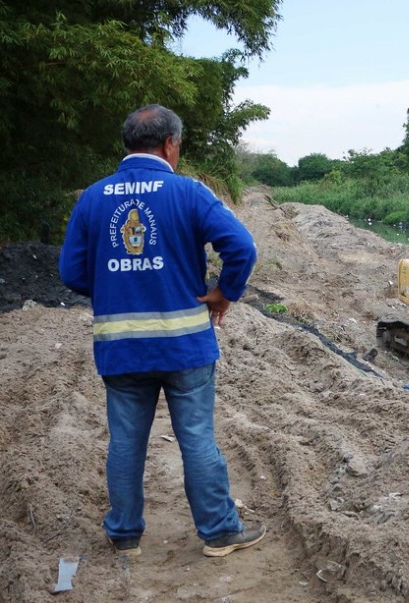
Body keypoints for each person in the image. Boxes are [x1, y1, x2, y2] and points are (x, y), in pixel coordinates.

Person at [59, 104, 265, 558]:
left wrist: (117, 284)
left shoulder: (93, 197)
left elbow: (71, 272)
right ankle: (218, 533)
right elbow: (242, 246)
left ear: (128, 144)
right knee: (196, 438)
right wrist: (224, 292)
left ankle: (125, 535)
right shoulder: (188, 192)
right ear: (171, 145)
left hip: (121, 349)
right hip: (185, 347)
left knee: (125, 442)